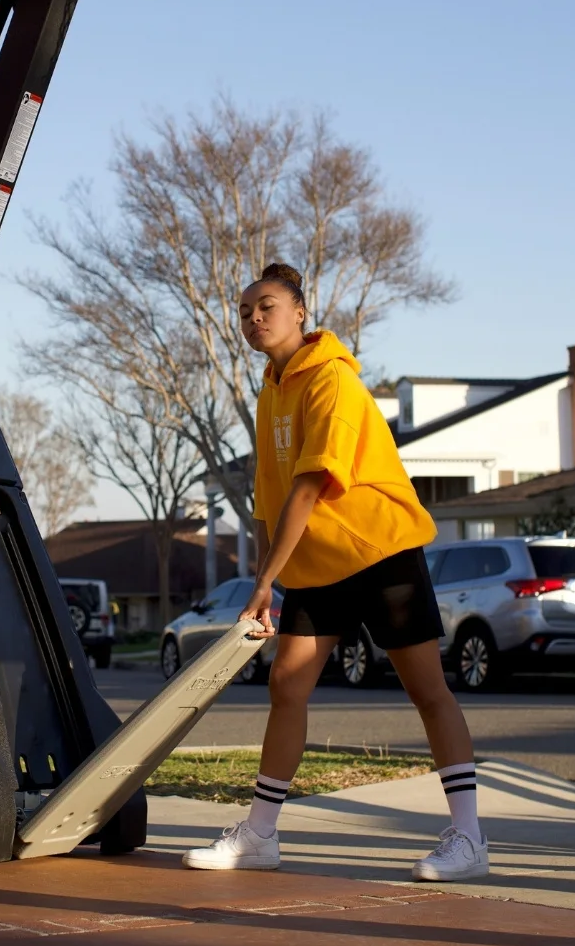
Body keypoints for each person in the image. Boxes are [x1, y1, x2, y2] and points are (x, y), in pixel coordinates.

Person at [182, 263, 487, 882]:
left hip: (381, 552)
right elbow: (269, 501)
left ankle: (470, 839)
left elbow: (308, 488)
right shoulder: (271, 391)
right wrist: (267, 577)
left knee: (428, 691)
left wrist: (266, 580)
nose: (254, 319)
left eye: (266, 306)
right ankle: (261, 836)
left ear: (300, 310)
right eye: (244, 312)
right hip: (319, 569)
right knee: (286, 688)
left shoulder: (334, 382)